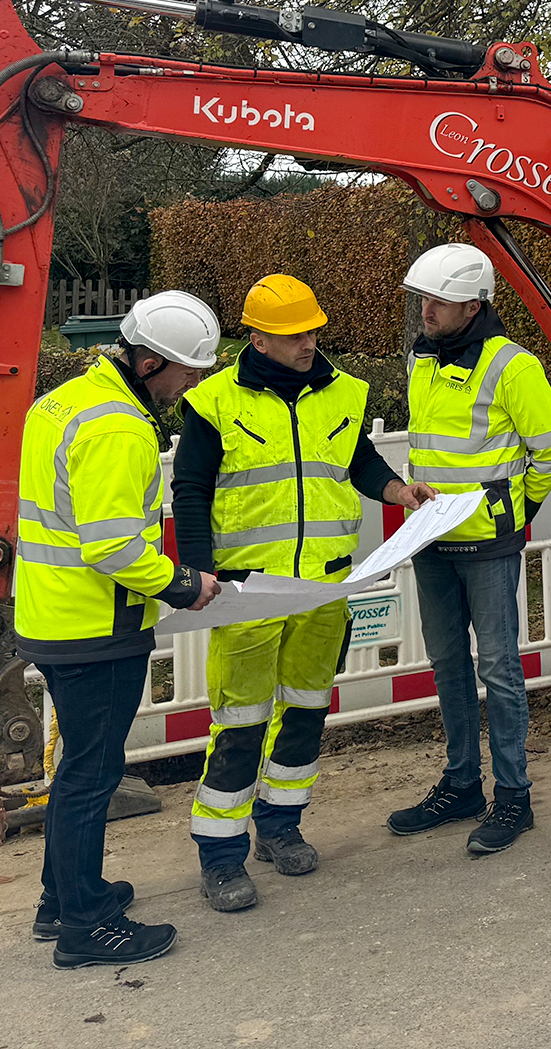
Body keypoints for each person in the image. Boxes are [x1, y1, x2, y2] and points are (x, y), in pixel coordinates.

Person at [171, 274, 434, 911]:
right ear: (257, 339)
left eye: (313, 329)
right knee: (239, 722)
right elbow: (191, 491)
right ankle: (221, 854)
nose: (309, 342)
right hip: (246, 591)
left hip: (322, 586)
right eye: (294, 334)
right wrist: (200, 573)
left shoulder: (343, 393)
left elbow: (357, 462)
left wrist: (398, 491)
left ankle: (281, 827)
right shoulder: (211, 402)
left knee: (306, 710)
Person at [17, 290, 224, 969]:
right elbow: (112, 548)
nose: (191, 384)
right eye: (187, 372)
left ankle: (64, 897)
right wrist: (184, 583)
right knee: (89, 773)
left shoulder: (65, 400)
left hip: (55, 615)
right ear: (146, 360)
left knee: (79, 766)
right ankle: (82, 926)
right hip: (93, 627)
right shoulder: (119, 427)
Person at [385, 244, 551, 855]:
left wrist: (514, 513)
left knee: (499, 670)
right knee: (448, 666)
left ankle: (513, 796)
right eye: (423, 298)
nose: (425, 310)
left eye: (437, 300)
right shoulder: (421, 357)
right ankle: (462, 783)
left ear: (473, 303)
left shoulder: (512, 365)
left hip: (488, 545)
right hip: (433, 538)